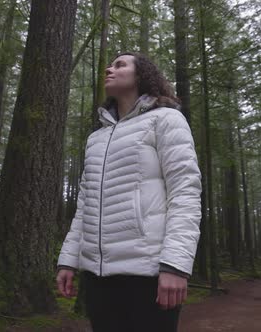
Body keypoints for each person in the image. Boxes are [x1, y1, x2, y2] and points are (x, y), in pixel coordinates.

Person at [56, 52, 202, 332]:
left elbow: (185, 192)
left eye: (120, 65)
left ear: (141, 75)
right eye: (110, 64)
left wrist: (175, 265)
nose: (109, 69)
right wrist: (68, 261)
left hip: (148, 275)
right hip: (98, 277)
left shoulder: (166, 119)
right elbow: (85, 206)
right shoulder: (96, 138)